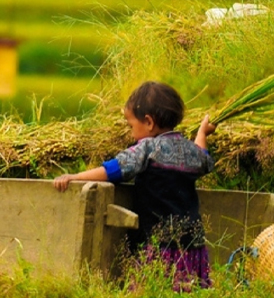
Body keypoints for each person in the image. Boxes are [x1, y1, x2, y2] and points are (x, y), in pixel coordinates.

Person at [53, 81, 216, 292]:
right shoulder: (191, 151)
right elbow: (203, 157)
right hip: (192, 245)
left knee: (149, 291)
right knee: (187, 291)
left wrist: (75, 176)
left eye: (131, 126)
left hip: (158, 246)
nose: (131, 134)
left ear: (148, 122)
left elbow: (113, 170)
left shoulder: (147, 148)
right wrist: (202, 133)